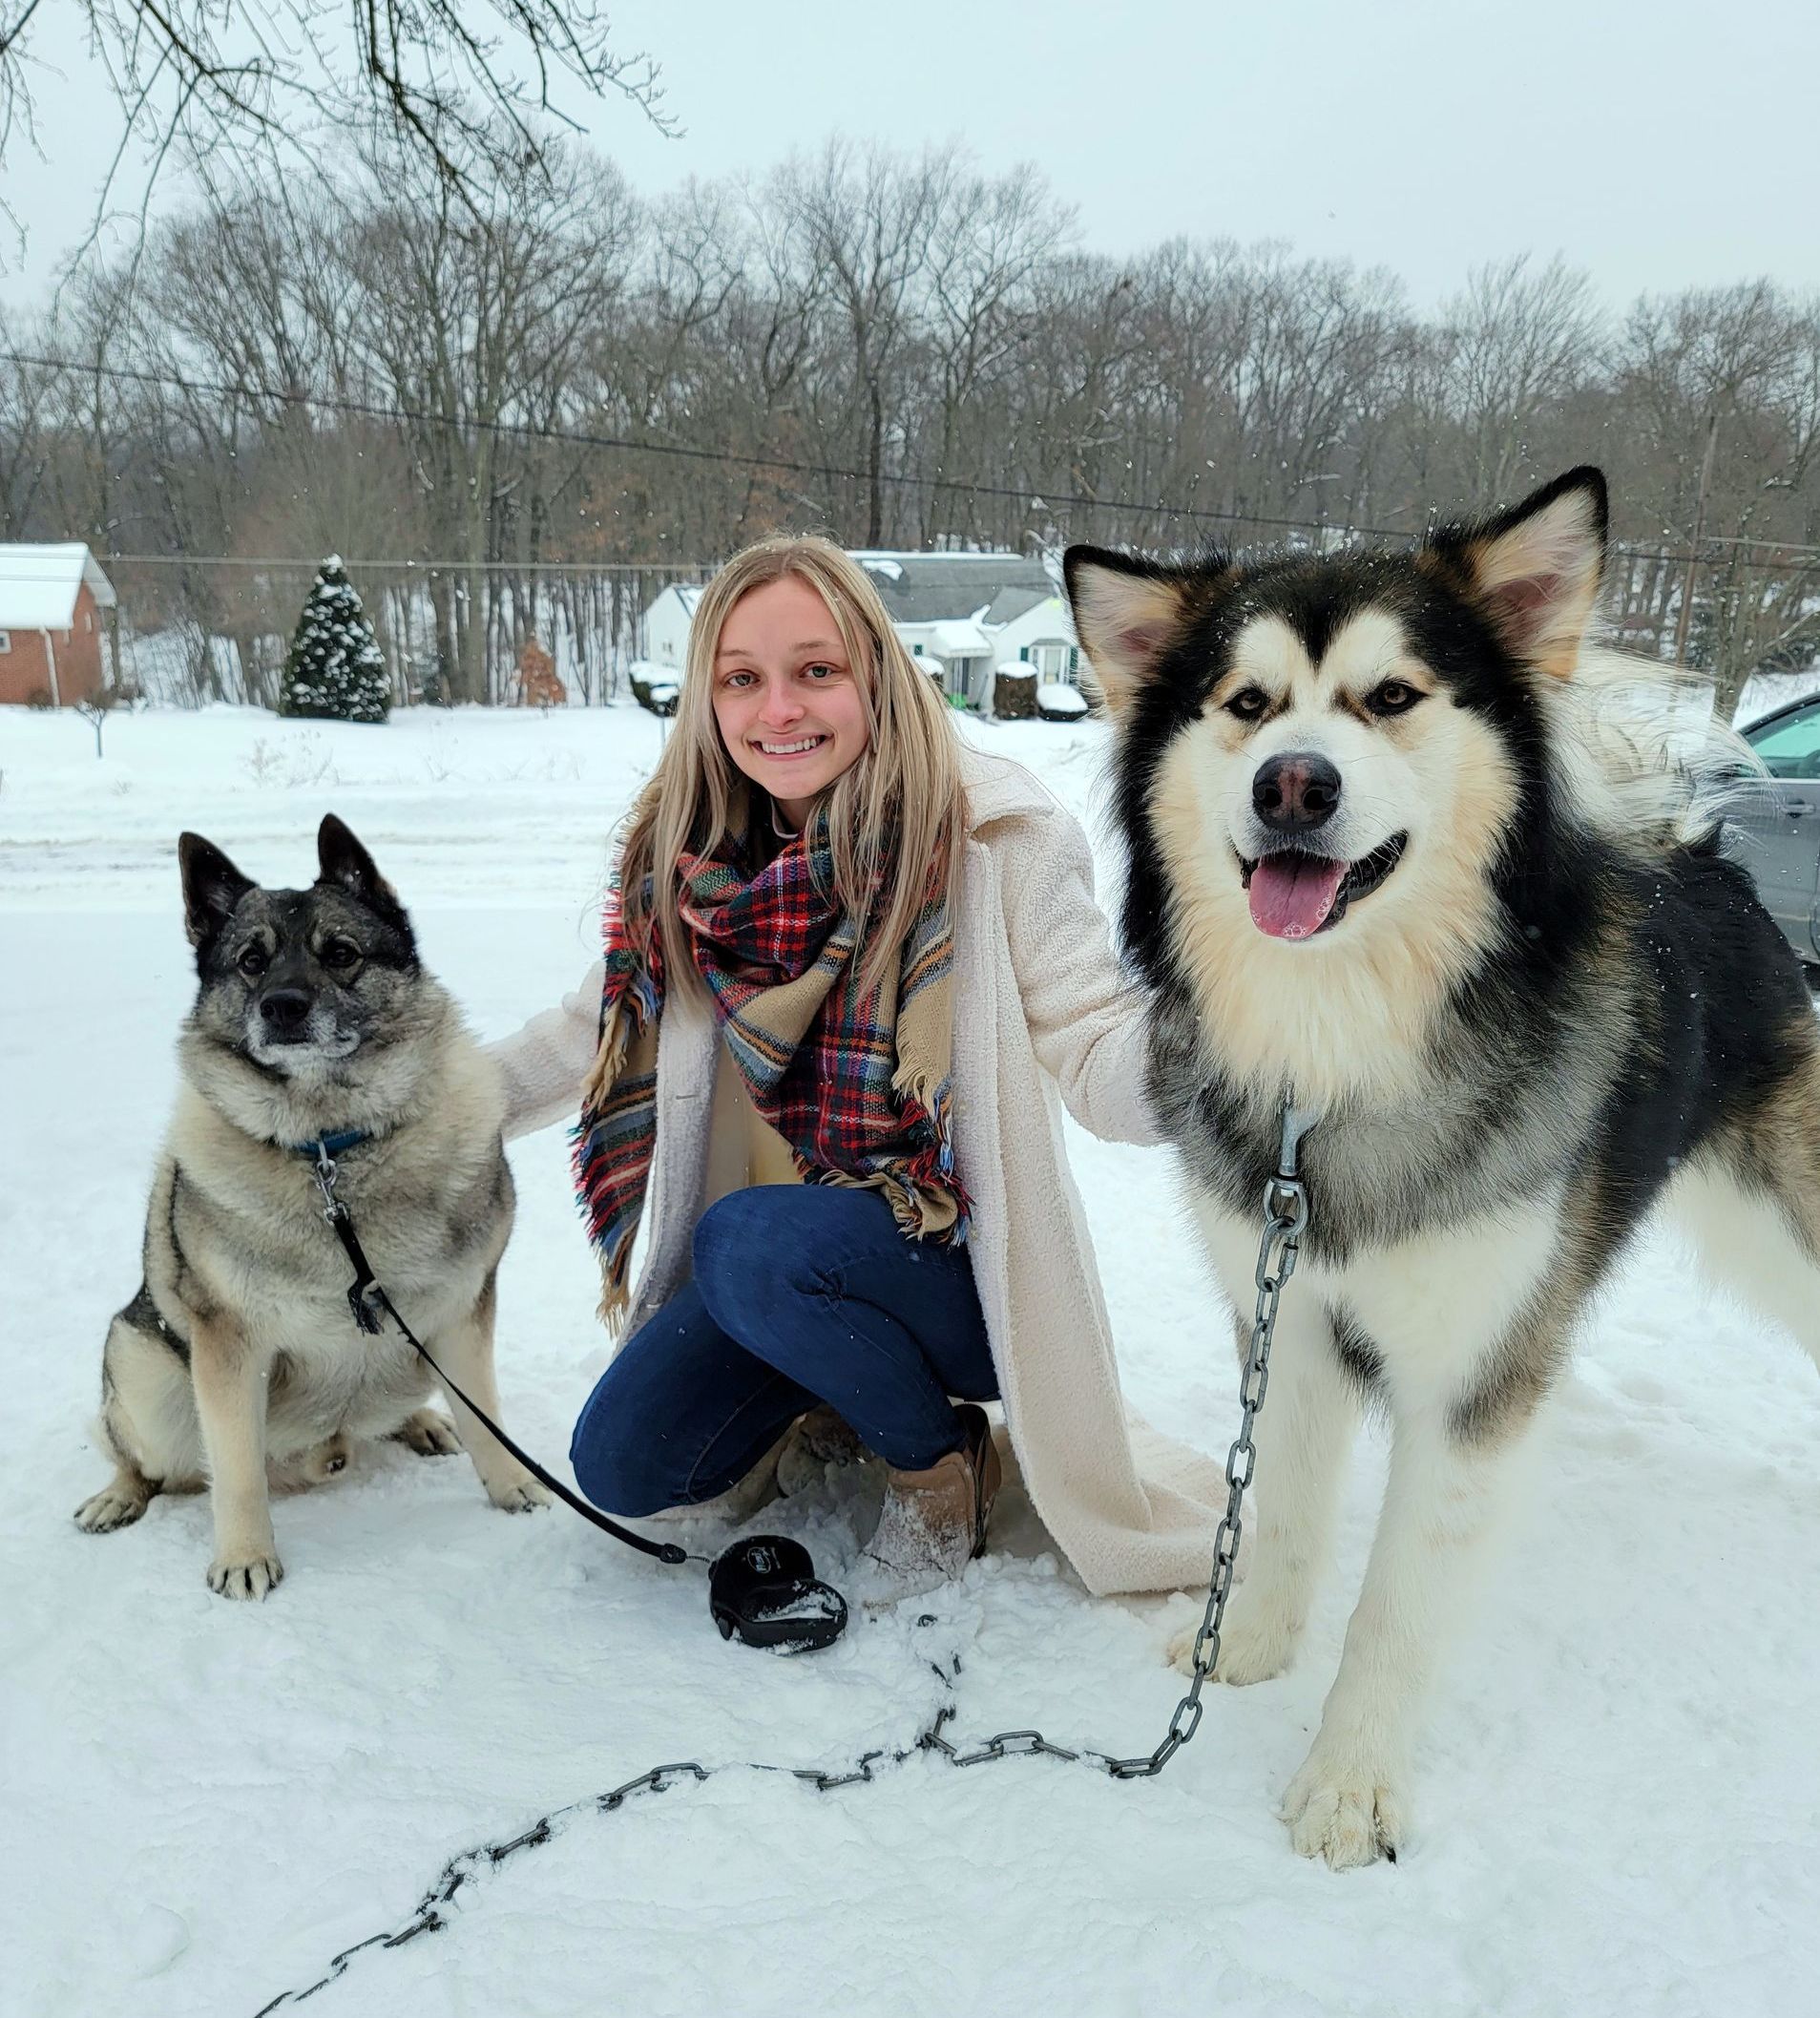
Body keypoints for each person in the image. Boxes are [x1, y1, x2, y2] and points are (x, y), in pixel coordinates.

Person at [488, 536, 1225, 1601]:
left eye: (815, 670)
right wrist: (403, 1109)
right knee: (628, 1463)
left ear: (873, 673)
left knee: (745, 1238)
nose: (777, 708)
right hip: (776, 1270)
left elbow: (1093, 1039)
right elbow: (591, 1031)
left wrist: (1232, 1049)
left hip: (953, 1276)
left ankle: (937, 1464)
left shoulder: (990, 834)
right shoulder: (692, 864)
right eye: (742, 677)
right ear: (708, 698)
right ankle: (832, 1383)